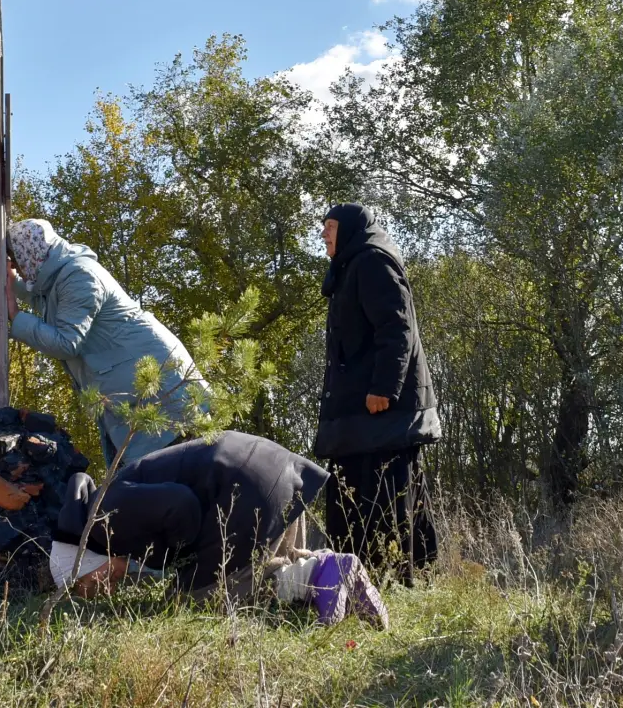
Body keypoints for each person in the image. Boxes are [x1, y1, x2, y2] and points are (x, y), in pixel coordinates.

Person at [49, 430, 389, 627]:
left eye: (83, 587)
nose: (98, 593)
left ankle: (319, 573)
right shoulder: (101, 510)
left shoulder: (102, 517)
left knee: (197, 602)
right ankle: (326, 571)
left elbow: (179, 504)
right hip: (268, 475)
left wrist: (180, 562)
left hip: (245, 494)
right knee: (259, 570)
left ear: (86, 565)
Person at [6, 218, 208, 466]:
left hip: (162, 391)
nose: (17, 268)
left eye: (16, 262)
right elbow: (44, 300)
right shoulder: (60, 278)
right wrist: (10, 284)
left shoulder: (79, 275)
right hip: (138, 392)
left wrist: (16, 316)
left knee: (173, 484)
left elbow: (66, 342)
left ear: (31, 253)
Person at [315, 203, 441, 585]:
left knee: (386, 493)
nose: (324, 234)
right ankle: (364, 579)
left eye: (330, 227)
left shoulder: (372, 262)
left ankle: (396, 580)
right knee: (363, 490)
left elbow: (396, 328)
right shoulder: (352, 265)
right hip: (361, 411)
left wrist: (384, 388)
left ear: (351, 229)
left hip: (381, 409)